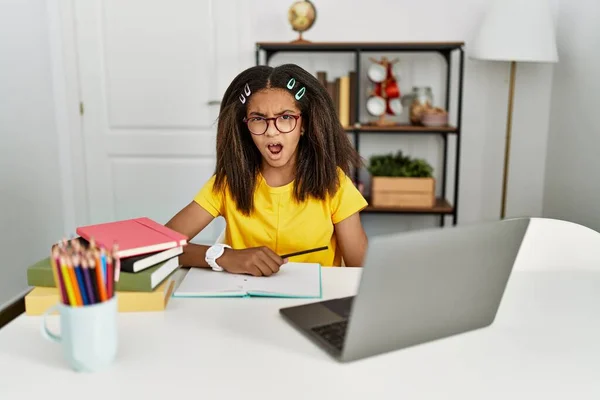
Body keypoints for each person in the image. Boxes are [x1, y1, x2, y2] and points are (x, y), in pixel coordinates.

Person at [165, 63, 368, 276]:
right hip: (244, 302)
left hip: (315, 303)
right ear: (245, 125)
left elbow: (361, 268)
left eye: (286, 117)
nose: (271, 131)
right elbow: (157, 247)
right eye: (258, 119)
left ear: (304, 125)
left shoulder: (333, 183)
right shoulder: (228, 183)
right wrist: (222, 256)